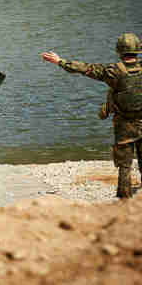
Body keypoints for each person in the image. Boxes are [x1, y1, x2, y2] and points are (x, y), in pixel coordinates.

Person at [42, 33, 142, 199]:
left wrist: (60, 61)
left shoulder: (114, 72)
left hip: (125, 126)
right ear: (137, 50)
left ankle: (125, 202)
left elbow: (86, 68)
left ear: (119, 51)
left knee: (125, 165)